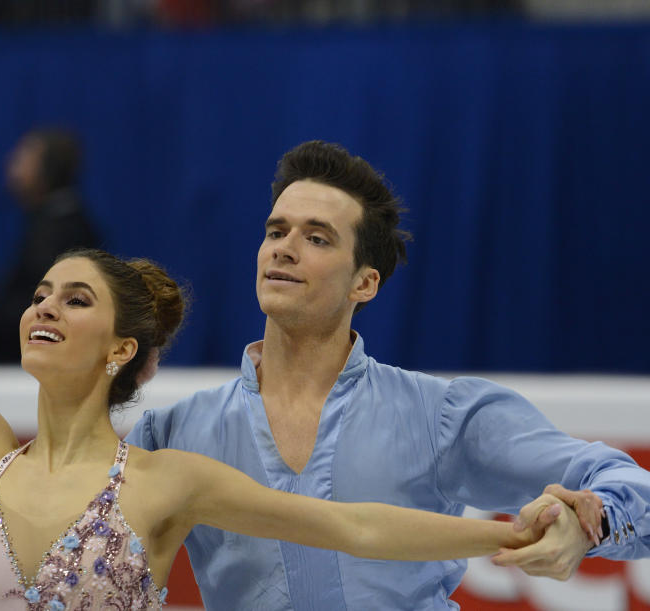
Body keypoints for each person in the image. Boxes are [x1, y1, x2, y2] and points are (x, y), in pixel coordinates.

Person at [0, 8, 565, 610]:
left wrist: (505, 530)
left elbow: (353, 525)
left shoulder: (165, 480)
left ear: (120, 348)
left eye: (75, 299)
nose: (44, 308)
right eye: (39, 295)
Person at [125, 138, 650, 609]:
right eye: (276, 230)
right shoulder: (173, 434)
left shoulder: (438, 415)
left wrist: (589, 524)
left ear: (365, 283)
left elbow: (628, 485)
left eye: (318, 238)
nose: (283, 247)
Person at [0, 127, 101, 364]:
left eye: (23, 158)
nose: (11, 165)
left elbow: (44, 311)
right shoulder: (52, 221)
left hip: (38, 372)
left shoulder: (58, 232)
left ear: (49, 169)